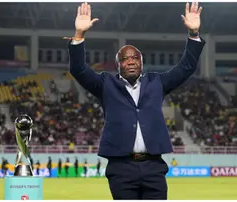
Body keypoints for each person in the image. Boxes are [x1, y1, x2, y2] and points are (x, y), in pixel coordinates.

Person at [68, 2, 204, 200]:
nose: (131, 61)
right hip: (121, 168)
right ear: (118, 64)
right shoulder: (106, 84)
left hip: (153, 167)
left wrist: (194, 34)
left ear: (141, 63)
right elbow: (79, 70)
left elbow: (187, 67)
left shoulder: (157, 82)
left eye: (135, 58)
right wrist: (79, 34)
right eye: (125, 59)